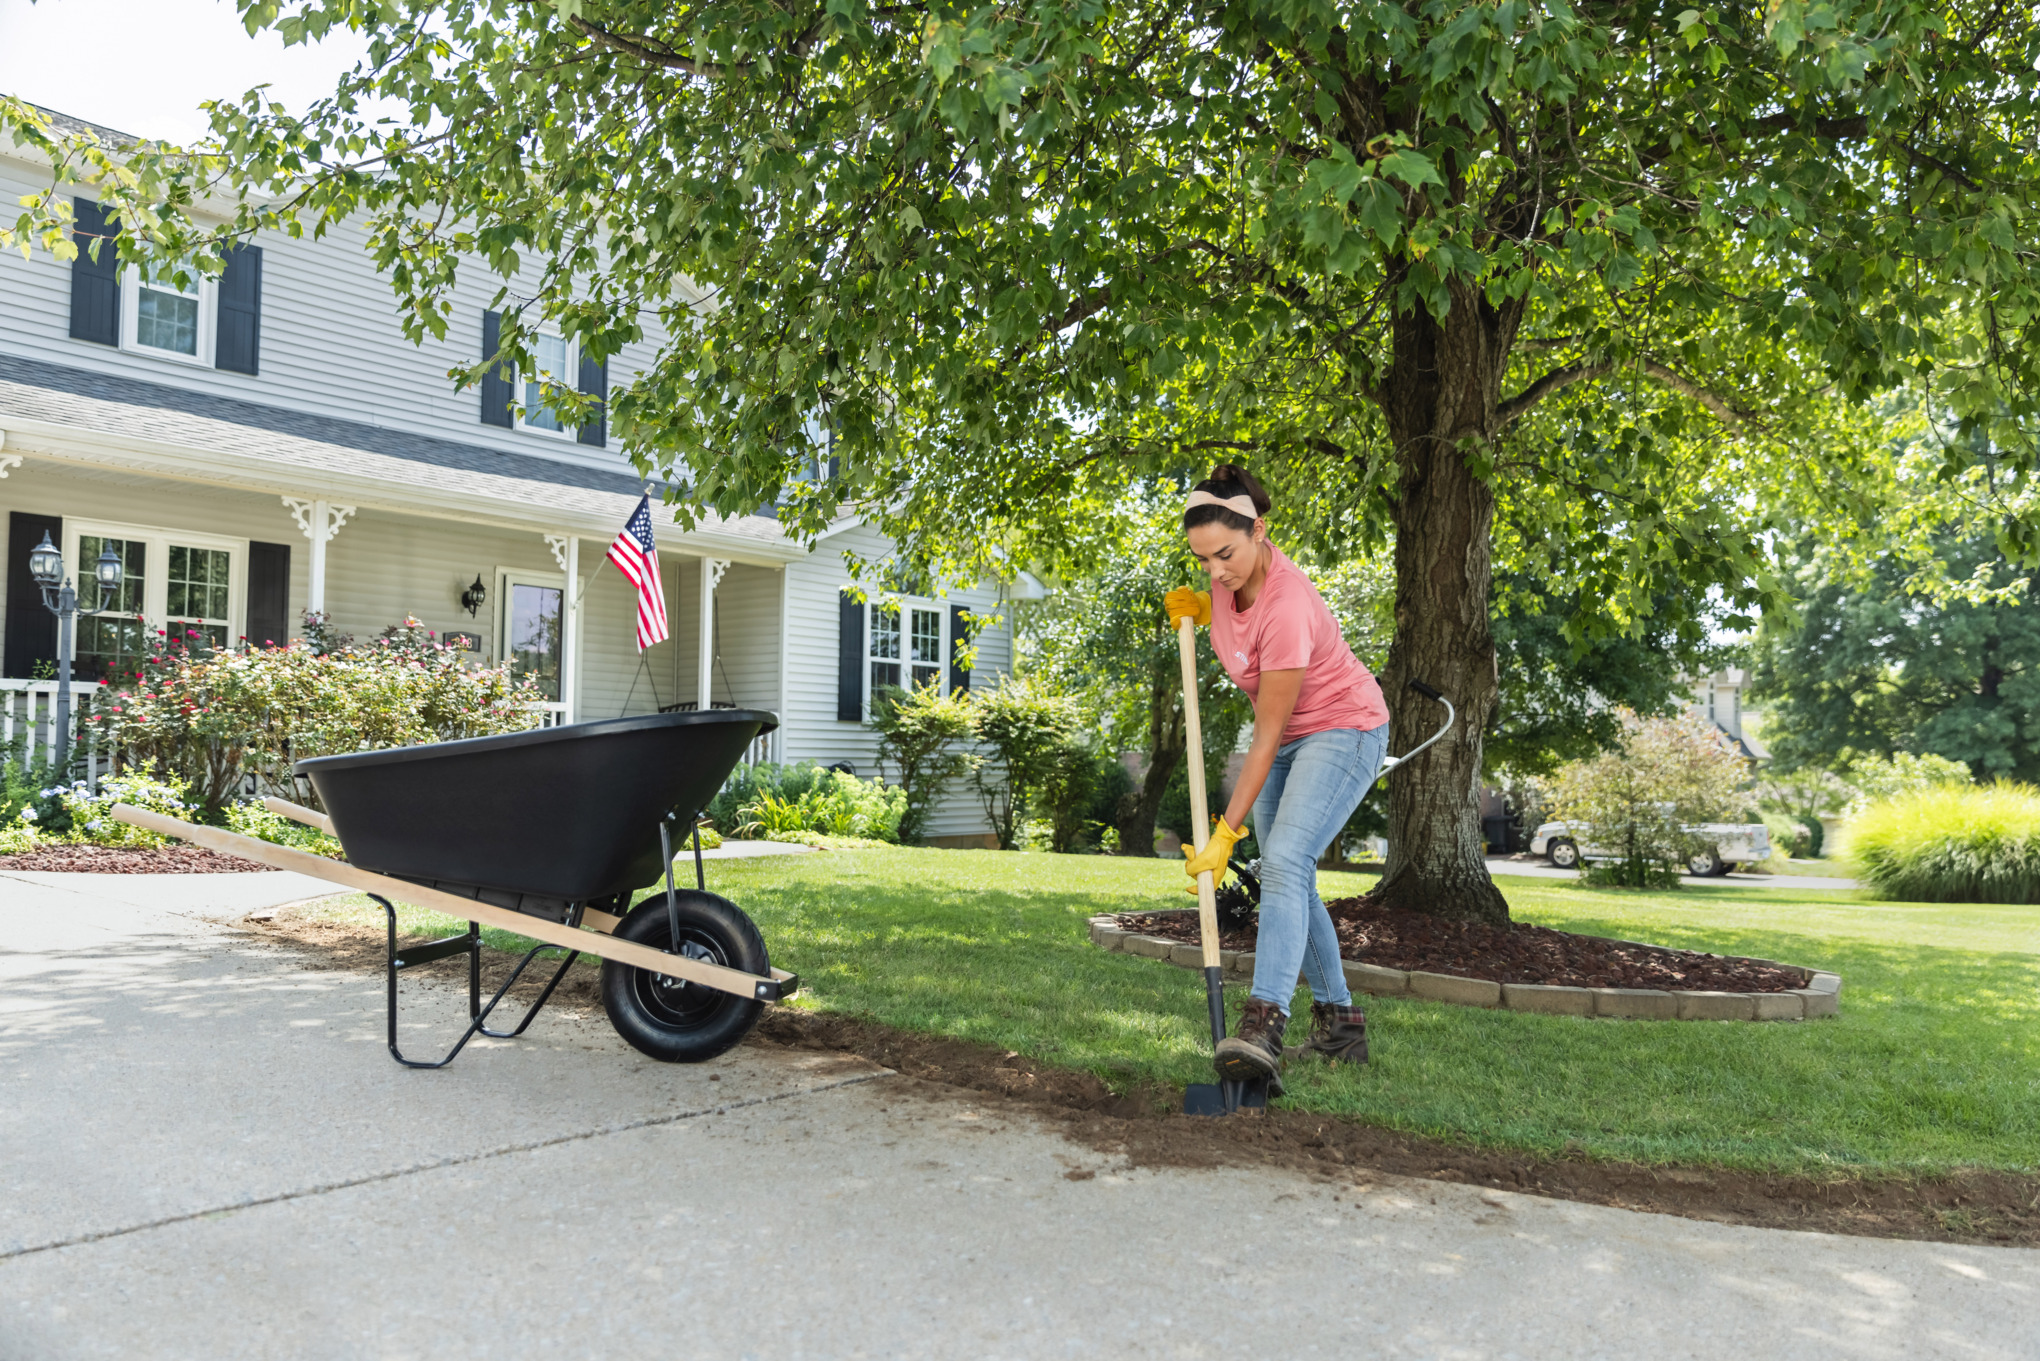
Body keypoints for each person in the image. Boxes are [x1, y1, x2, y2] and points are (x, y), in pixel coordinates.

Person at [1165, 464, 1390, 1085]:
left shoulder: (1289, 603)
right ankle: (1343, 1025)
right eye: (1203, 560)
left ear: (1260, 530)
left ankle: (1263, 1022)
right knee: (1287, 873)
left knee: (1285, 863)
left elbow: (1264, 733)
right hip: (1291, 736)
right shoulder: (1223, 581)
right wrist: (1199, 614)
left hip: (1345, 729)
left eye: (1225, 555)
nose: (1215, 572)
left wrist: (1225, 834)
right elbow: (1236, 628)